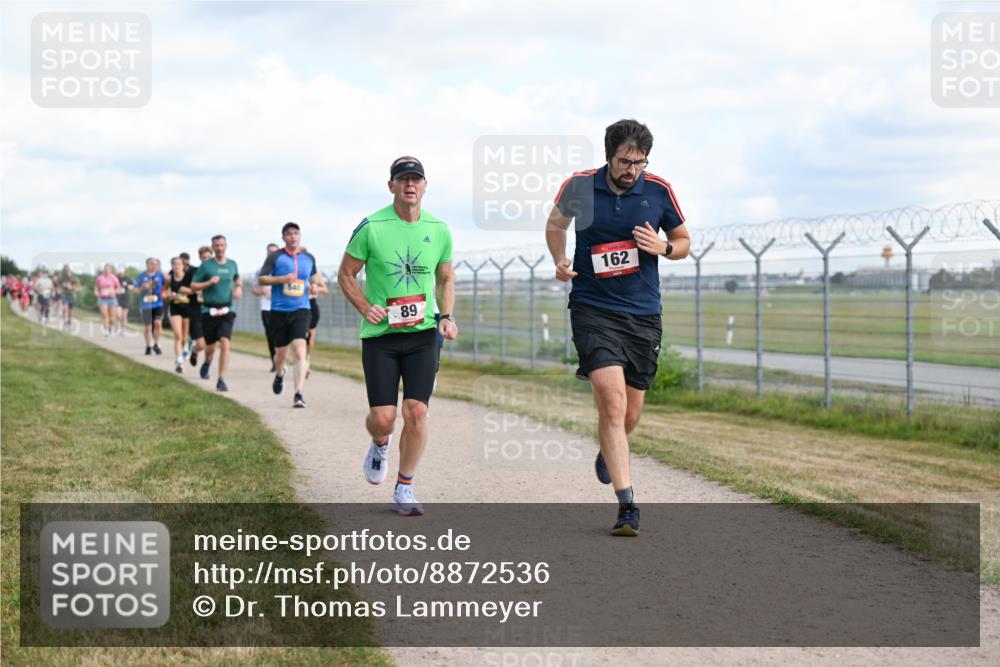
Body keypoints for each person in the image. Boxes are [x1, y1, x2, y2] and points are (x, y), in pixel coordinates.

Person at [545, 119, 691, 536]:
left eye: (640, 163)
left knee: (629, 411)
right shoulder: (579, 186)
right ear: (609, 155)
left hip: (643, 312)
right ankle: (628, 506)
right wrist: (559, 260)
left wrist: (663, 247)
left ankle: (610, 452)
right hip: (592, 307)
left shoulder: (658, 190)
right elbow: (556, 225)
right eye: (626, 161)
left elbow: (683, 242)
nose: (632, 170)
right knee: (610, 403)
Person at [338, 156, 458, 516]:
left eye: (416, 179)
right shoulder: (372, 226)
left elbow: (446, 278)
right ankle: (379, 442)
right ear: (391, 186)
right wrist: (364, 306)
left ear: (424, 186)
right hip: (381, 336)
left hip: (423, 334)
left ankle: (405, 487)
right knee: (384, 417)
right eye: (402, 179)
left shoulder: (439, 229)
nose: (410, 185)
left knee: (417, 412)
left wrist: (446, 316)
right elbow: (346, 274)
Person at [258, 223, 319, 408]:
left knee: (300, 350)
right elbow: (262, 278)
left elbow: (313, 279)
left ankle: (298, 393)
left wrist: (313, 286)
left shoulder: (308, 258)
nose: (293, 237)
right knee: (281, 355)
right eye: (289, 234)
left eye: (296, 233)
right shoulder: (275, 257)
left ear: (300, 236)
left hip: (301, 309)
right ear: (283, 237)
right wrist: (282, 279)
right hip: (279, 311)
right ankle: (279, 374)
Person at [190, 235, 241, 392]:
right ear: (213, 248)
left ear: (226, 246)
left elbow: (237, 280)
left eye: (222, 245)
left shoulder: (232, 264)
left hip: (227, 310)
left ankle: (221, 380)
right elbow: (193, 286)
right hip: (208, 311)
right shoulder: (206, 266)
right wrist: (209, 282)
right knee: (209, 347)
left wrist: (238, 288)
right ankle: (206, 362)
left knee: (225, 342)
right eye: (216, 246)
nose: (219, 248)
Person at [251, 243, 280, 372]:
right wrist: (261, 292)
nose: (272, 254)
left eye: (274, 251)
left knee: (281, 335)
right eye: (270, 252)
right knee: (270, 335)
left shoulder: (283, 268)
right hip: (266, 308)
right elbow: (254, 289)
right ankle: (274, 361)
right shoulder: (261, 270)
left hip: (280, 306)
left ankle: (281, 359)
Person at [164, 256, 194, 373]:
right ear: (172, 266)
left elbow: (194, 291)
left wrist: (186, 292)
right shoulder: (169, 278)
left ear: (183, 266)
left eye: (178, 264)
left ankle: (186, 347)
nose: (176, 266)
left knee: (185, 335)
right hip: (175, 308)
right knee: (178, 335)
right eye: (174, 264)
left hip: (187, 308)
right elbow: (165, 290)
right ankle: (179, 361)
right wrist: (168, 295)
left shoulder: (189, 278)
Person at [131, 258, 165, 355]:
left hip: (158, 303)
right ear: (147, 265)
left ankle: (156, 343)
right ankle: (148, 345)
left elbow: (166, 286)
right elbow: (134, 290)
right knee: (148, 327)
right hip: (145, 305)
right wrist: (142, 287)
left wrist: (165, 293)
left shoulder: (160, 275)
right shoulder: (141, 276)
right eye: (151, 264)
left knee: (158, 323)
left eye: (154, 264)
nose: (153, 265)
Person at [187, 246, 213, 366]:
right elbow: (188, 289)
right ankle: (195, 350)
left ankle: (206, 366)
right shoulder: (194, 273)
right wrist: (197, 290)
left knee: (211, 344)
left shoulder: (215, 273)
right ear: (200, 258)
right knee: (201, 345)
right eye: (204, 258)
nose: (206, 260)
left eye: (208, 257)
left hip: (212, 311)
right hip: (196, 311)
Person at [94, 264, 121, 338]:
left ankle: (110, 329)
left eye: (108, 269)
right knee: (105, 315)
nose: (106, 270)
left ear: (110, 270)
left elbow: (118, 288)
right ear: (103, 270)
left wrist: (113, 291)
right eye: (105, 269)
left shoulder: (114, 278)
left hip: (112, 299)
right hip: (102, 299)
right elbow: (96, 287)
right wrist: (96, 292)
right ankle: (106, 331)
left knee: (112, 318)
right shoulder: (100, 278)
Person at [57, 266, 79, 330]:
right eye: (65, 270)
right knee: (65, 309)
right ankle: (65, 323)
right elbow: (58, 284)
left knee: (70, 312)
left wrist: (72, 287)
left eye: (68, 270)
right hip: (64, 294)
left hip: (72, 295)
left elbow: (78, 285)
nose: (66, 271)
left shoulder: (74, 277)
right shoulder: (61, 277)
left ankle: (69, 324)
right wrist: (60, 288)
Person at [115, 270, 131, 334]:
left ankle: (123, 330)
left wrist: (129, 287)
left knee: (124, 316)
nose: (121, 273)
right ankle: (117, 327)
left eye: (122, 271)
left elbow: (132, 286)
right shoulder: (115, 278)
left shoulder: (128, 278)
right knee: (118, 315)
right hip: (117, 298)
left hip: (125, 298)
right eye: (120, 271)